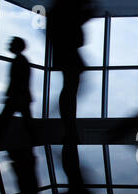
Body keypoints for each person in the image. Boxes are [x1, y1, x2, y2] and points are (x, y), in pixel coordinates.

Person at [47, 0, 93, 142]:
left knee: (69, 90)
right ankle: (70, 129)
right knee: (70, 90)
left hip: (66, 53)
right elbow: (75, 35)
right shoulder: (64, 12)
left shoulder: (58, 11)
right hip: (69, 54)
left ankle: (70, 129)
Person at [0, 37, 35, 145]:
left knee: (3, 121)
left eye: (12, 44)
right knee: (26, 123)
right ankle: (34, 140)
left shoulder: (19, 60)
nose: (9, 46)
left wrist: (10, 94)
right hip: (21, 96)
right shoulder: (22, 60)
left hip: (17, 96)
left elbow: (16, 80)